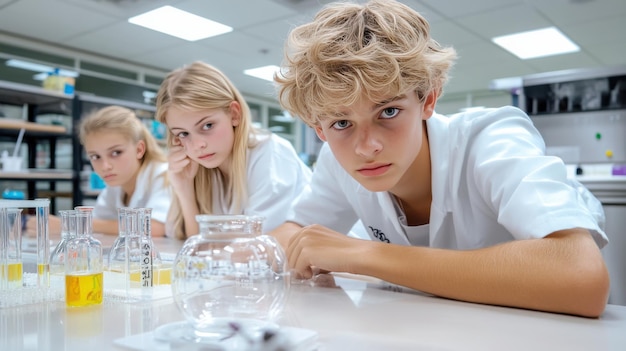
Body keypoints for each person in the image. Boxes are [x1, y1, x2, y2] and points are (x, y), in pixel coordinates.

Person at [270, 0, 610, 318]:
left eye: (388, 111)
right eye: (341, 122)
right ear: (319, 129)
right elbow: (296, 230)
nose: (366, 146)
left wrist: (365, 255)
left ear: (428, 99)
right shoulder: (336, 157)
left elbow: (581, 275)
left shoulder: (490, 139)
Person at [155, 61, 312, 240]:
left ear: (234, 114)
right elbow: (197, 244)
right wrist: (184, 188)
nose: (197, 145)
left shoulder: (270, 154)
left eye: (207, 125)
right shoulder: (204, 169)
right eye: (183, 133)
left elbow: (255, 249)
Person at [27, 105, 171, 237]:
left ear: (139, 149)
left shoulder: (163, 174)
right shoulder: (116, 185)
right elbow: (99, 221)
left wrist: (70, 224)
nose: (105, 166)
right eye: (95, 156)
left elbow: (155, 227)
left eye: (116, 153)